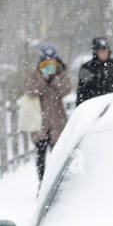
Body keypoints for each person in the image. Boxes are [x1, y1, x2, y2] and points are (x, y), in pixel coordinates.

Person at [25, 44, 71, 184]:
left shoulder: (61, 73)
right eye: (46, 62)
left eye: (52, 61)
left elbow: (66, 90)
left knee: (58, 155)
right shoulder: (34, 74)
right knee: (40, 156)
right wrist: (43, 79)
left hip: (57, 121)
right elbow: (31, 92)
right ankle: (42, 183)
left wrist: (55, 79)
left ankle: (57, 184)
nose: (50, 65)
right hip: (40, 123)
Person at [77, 36, 113, 106]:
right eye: (101, 51)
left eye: (106, 51)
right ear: (96, 52)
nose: (104, 53)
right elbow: (82, 92)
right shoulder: (87, 68)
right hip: (94, 106)